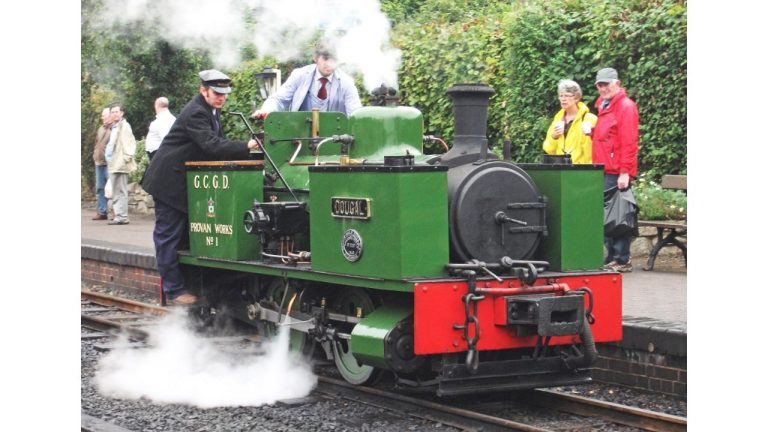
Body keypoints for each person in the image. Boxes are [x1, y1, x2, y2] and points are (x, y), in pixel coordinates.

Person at [141, 70, 260, 306]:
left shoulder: (212, 112)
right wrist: (247, 145)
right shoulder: (196, 112)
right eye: (217, 93)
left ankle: (197, 287)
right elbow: (212, 146)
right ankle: (174, 289)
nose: (222, 98)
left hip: (183, 182)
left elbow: (217, 148)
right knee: (168, 235)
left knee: (187, 236)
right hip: (169, 182)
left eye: (224, 93)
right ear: (203, 90)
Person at [591, 67, 639, 272]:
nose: (602, 88)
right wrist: (591, 132)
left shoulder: (626, 107)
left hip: (616, 171)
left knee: (618, 216)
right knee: (608, 217)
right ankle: (612, 257)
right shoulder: (604, 105)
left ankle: (622, 259)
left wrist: (624, 172)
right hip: (604, 168)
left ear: (617, 83)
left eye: (606, 84)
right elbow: (607, 137)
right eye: (599, 85)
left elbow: (629, 142)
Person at [251, 41, 362, 118]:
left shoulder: (346, 83)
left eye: (334, 59)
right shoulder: (299, 75)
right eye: (326, 58)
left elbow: (355, 114)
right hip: (300, 138)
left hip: (334, 141)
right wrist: (266, 110)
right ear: (315, 57)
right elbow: (279, 99)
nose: (329, 64)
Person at [542, 79, 598, 164]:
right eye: (561, 96)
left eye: (567, 96)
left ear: (576, 98)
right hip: (561, 170)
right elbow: (549, 150)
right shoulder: (557, 120)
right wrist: (554, 137)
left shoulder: (590, 119)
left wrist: (591, 171)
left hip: (582, 170)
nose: (563, 99)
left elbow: (594, 150)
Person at [105, 103, 137, 225]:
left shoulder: (125, 126)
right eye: (112, 112)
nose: (114, 114)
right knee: (116, 190)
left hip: (120, 164)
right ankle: (119, 215)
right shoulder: (115, 126)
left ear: (122, 113)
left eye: (116, 111)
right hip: (114, 163)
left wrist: (126, 159)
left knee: (120, 190)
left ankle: (122, 217)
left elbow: (130, 144)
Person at [92, 107, 112, 220]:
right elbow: (96, 143)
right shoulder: (100, 129)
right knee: (100, 188)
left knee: (112, 189)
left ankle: (116, 213)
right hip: (99, 162)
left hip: (109, 163)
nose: (102, 117)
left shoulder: (114, 129)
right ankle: (102, 212)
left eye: (104, 115)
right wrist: (95, 155)